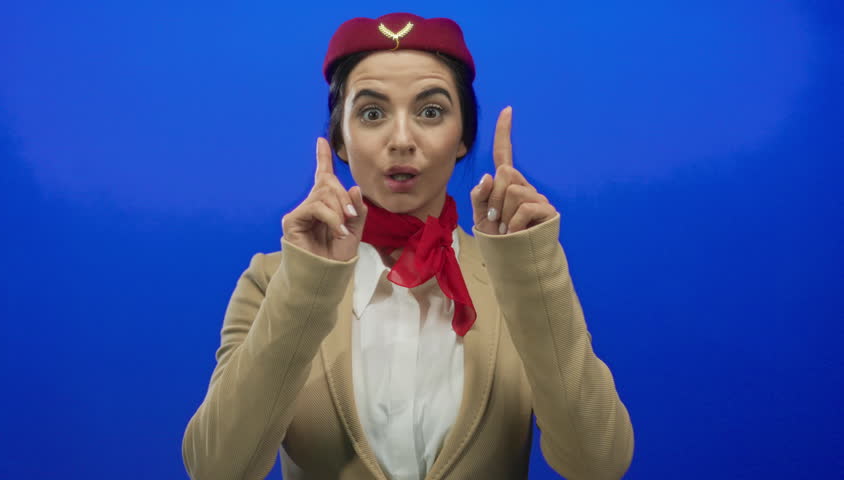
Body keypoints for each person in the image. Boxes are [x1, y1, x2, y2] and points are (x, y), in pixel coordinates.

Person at [182, 12, 634, 480]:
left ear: (463, 137)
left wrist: (531, 272)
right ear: (340, 138)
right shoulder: (272, 280)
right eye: (372, 113)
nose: (402, 140)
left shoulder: (518, 275)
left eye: (431, 111)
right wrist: (306, 286)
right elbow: (216, 469)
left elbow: (598, 463)